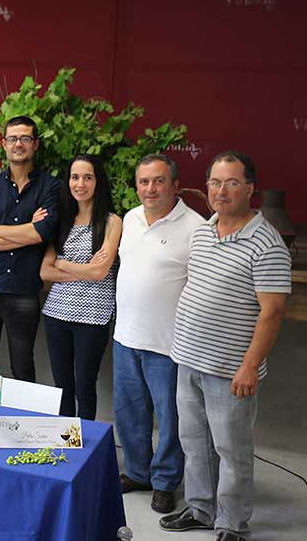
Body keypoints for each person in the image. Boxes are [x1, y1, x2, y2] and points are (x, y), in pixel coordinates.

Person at [160, 152, 290, 541]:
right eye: (215, 182)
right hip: (188, 359)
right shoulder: (204, 230)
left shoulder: (267, 243)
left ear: (250, 189)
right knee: (194, 442)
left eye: (232, 183)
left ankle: (232, 522)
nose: (222, 191)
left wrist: (250, 366)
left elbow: (272, 313)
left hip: (230, 369)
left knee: (231, 450)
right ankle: (201, 508)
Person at [113, 154, 203, 514]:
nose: (151, 189)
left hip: (168, 345)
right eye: (144, 182)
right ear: (136, 186)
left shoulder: (196, 227)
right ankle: (137, 472)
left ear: (175, 185)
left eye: (159, 181)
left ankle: (165, 481)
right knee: (129, 413)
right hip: (125, 338)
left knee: (170, 419)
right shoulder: (130, 219)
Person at [0, 115, 60, 382]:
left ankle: (21, 423)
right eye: (13, 138)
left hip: (23, 292)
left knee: (22, 366)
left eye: (25, 138)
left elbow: (41, 234)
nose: (19, 144)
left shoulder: (50, 187)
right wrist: (26, 231)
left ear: (36, 144)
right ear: (4, 144)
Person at [39, 155, 122, 419]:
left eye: (88, 177)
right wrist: (83, 269)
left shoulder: (112, 222)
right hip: (56, 314)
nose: (80, 183)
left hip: (93, 316)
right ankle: (64, 440)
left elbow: (100, 272)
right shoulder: (62, 220)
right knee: (62, 387)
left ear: (98, 181)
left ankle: (86, 445)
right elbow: (45, 270)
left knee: (85, 386)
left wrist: (63, 263)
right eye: (75, 177)